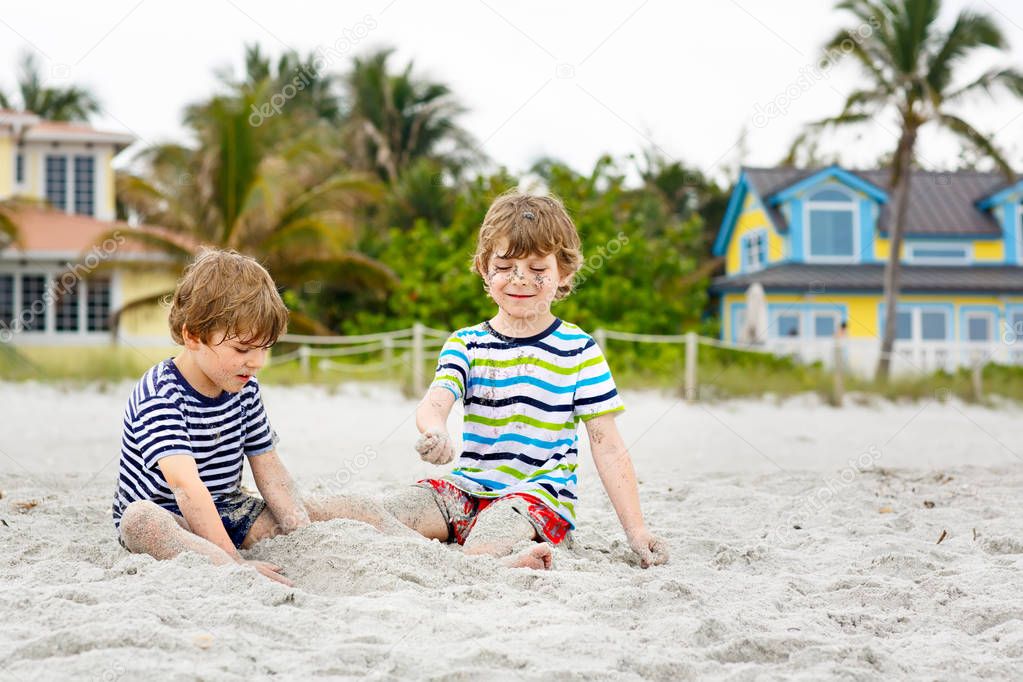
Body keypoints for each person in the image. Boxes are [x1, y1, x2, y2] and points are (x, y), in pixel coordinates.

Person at [381, 191, 669, 570]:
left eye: (537, 269)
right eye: (505, 266)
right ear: (485, 269)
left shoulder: (579, 350)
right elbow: (436, 401)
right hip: (467, 487)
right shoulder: (466, 343)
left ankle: (512, 562)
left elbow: (608, 446)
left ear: (562, 273)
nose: (520, 280)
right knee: (385, 514)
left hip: (536, 499)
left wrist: (637, 532)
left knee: (487, 540)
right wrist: (436, 430)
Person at [112, 249, 410, 585]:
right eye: (242, 350)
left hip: (229, 510)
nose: (256, 363)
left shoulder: (244, 387)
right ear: (192, 335)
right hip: (171, 517)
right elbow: (186, 488)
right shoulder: (161, 393)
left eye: (265, 348)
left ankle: (415, 543)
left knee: (352, 506)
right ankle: (219, 563)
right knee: (140, 521)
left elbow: (267, 465)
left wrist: (301, 531)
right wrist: (234, 562)